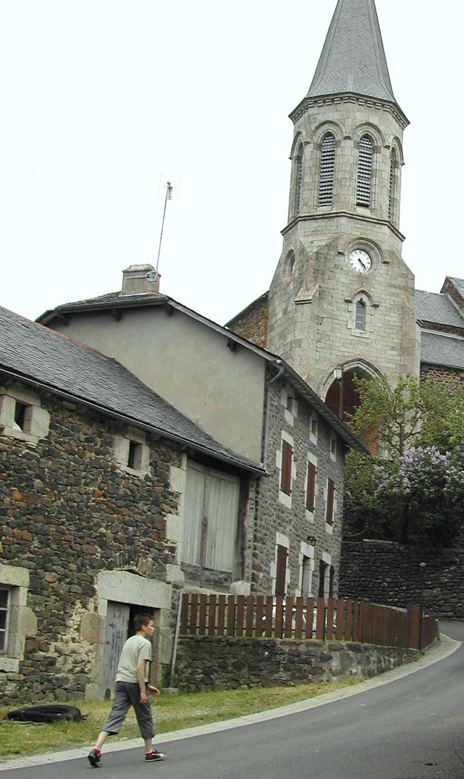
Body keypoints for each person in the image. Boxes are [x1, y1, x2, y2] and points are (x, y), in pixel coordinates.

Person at [87, 613, 165, 767]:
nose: (153, 628)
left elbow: (128, 666)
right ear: (143, 627)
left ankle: (96, 749)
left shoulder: (129, 641)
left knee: (115, 715)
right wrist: (143, 691)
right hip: (134, 683)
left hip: (121, 682)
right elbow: (139, 667)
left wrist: (148, 686)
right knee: (145, 715)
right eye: (151, 625)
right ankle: (149, 751)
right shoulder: (145, 643)